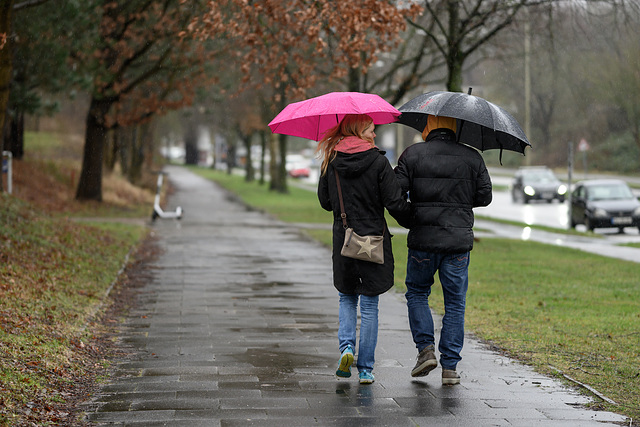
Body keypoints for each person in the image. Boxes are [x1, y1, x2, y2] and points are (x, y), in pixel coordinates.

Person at [394, 115, 492, 385]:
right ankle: (450, 367)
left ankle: (425, 350)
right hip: (457, 243)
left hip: (423, 241)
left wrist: (410, 219)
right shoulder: (471, 157)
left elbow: (394, 194)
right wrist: (460, 201)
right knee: (455, 302)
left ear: (430, 126)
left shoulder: (412, 155)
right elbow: (485, 195)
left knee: (416, 293)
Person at [317, 114, 410, 385]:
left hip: (344, 239)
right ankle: (366, 369)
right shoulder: (379, 162)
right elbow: (394, 202)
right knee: (369, 304)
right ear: (360, 130)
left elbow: (325, 202)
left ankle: (346, 348)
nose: (375, 134)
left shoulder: (331, 161)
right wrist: (413, 220)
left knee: (346, 297)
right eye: (371, 129)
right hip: (373, 241)